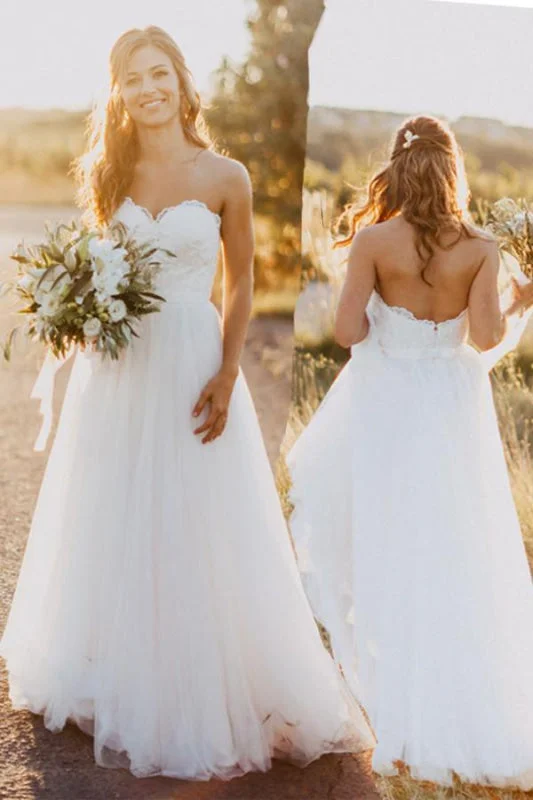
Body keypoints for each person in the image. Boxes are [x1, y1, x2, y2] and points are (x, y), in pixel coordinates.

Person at [0, 26, 374, 779]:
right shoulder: (109, 172)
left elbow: (239, 284)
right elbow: (98, 263)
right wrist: (76, 306)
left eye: (158, 73)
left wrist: (230, 370)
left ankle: (202, 679)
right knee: (114, 509)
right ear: (119, 91)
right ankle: (118, 667)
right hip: (120, 367)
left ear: (180, 79)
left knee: (198, 516)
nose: (147, 89)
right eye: (132, 78)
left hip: (193, 358)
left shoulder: (224, 176)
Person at [287, 116, 533, 789]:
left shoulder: (372, 240)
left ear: (395, 169)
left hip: (383, 407)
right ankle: (448, 705)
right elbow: (483, 340)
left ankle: (389, 715)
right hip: (449, 413)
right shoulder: (481, 248)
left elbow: (344, 330)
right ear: (452, 169)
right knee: (452, 553)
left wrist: (387, 319)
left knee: (382, 550)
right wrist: (519, 301)